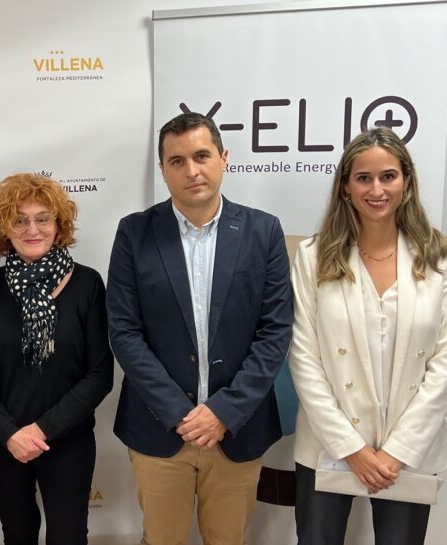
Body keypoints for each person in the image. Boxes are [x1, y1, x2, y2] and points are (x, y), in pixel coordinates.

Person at [107, 111, 294, 545]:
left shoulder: (263, 231)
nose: (191, 170)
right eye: (177, 161)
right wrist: (180, 413)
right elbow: (124, 332)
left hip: (237, 430)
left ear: (224, 158)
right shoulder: (134, 233)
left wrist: (223, 412)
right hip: (159, 428)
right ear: (163, 169)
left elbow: (274, 332)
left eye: (202, 156)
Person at [289, 127, 447, 545]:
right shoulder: (313, 257)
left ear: (407, 182)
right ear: (346, 187)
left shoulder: (441, 256)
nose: (377, 189)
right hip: (329, 445)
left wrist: (396, 451)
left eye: (388, 176)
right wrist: (351, 448)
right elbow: (304, 358)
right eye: (363, 178)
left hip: (409, 450)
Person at [0, 173, 113, 545]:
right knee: (17, 534)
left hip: (68, 440)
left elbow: (100, 374)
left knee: (68, 537)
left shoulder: (87, 284)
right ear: (4, 229)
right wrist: (10, 433)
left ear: (58, 225)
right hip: (5, 441)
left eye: (42, 219)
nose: (32, 229)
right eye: (19, 220)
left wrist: (41, 430)